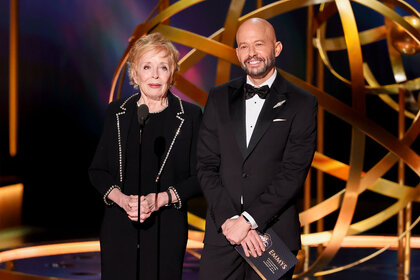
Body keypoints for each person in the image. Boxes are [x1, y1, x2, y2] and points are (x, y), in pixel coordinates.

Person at [197, 18, 317, 280]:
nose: (251, 53)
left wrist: (248, 221)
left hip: (273, 237)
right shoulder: (218, 97)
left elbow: (293, 172)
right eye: (243, 46)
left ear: (277, 48)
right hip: (223, 234)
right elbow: (205, 164)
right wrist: (232, 221)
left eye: (259, 44)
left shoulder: (302, 103)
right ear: (237, 53)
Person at [89, 32, 202, 280]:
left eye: (163, 67)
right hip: (119, 228)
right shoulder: (116, 112)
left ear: (172, 74)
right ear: (135, 73)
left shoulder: (191, 116)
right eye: (147, 66)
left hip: (167, 229)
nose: (154, 75)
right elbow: (97, 171)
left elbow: (200, 176)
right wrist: (120, 199)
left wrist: (161, 199)